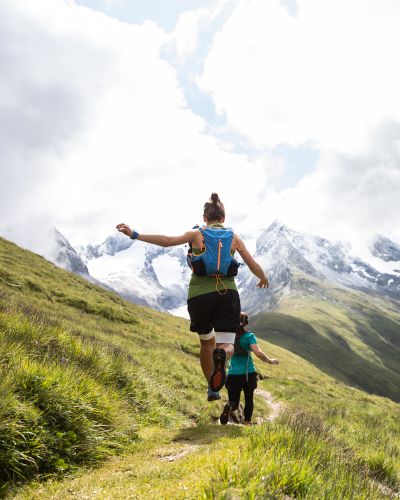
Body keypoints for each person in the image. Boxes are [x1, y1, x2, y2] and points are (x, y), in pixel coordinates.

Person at [116, 193, 269, 401]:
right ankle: (222, 357)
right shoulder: (234, 238)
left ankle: (212, 388)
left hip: (199, 296)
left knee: (207, 343)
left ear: (205, 218)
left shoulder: (196, 234)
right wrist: (262, 277)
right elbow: (252, 264)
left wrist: (135, 234)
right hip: (227, 295)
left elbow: (167, 241)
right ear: (223, 218)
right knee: (227, 344)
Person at [220, 312, 279, 425]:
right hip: (248, 373)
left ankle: (229, 407)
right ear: (246, 323)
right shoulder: (249, 336)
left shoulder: (229, 337)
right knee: (249, 399)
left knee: (234, 402)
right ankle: (247, 423)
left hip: (232, 373)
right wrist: (270, 361)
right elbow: (258, 353)